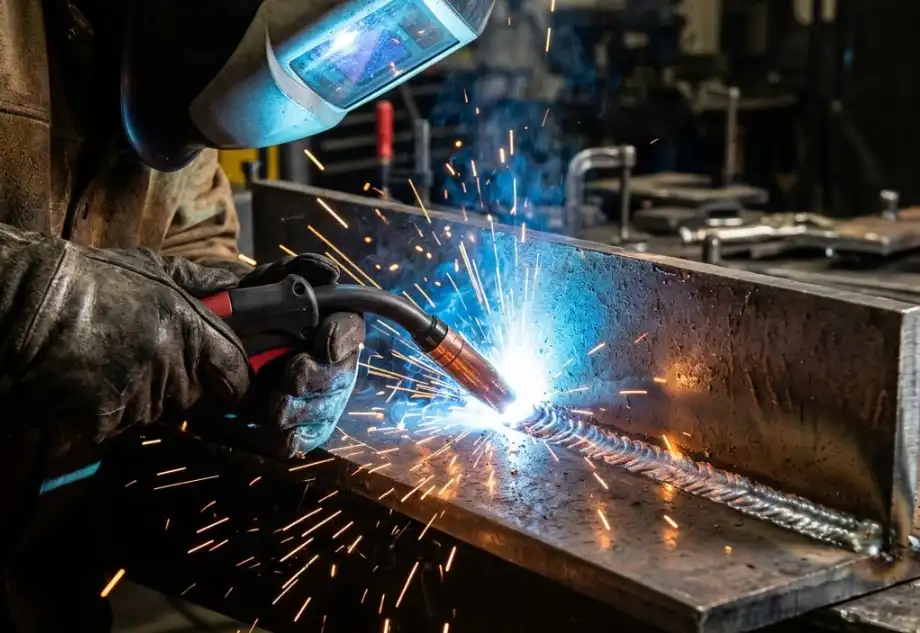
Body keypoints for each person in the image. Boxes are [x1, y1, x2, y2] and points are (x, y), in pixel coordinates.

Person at [0, 0, 495, 629]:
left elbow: (189, 245)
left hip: (44, 581)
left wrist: (254, 329)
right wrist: (35, 299)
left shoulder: (163, 66)